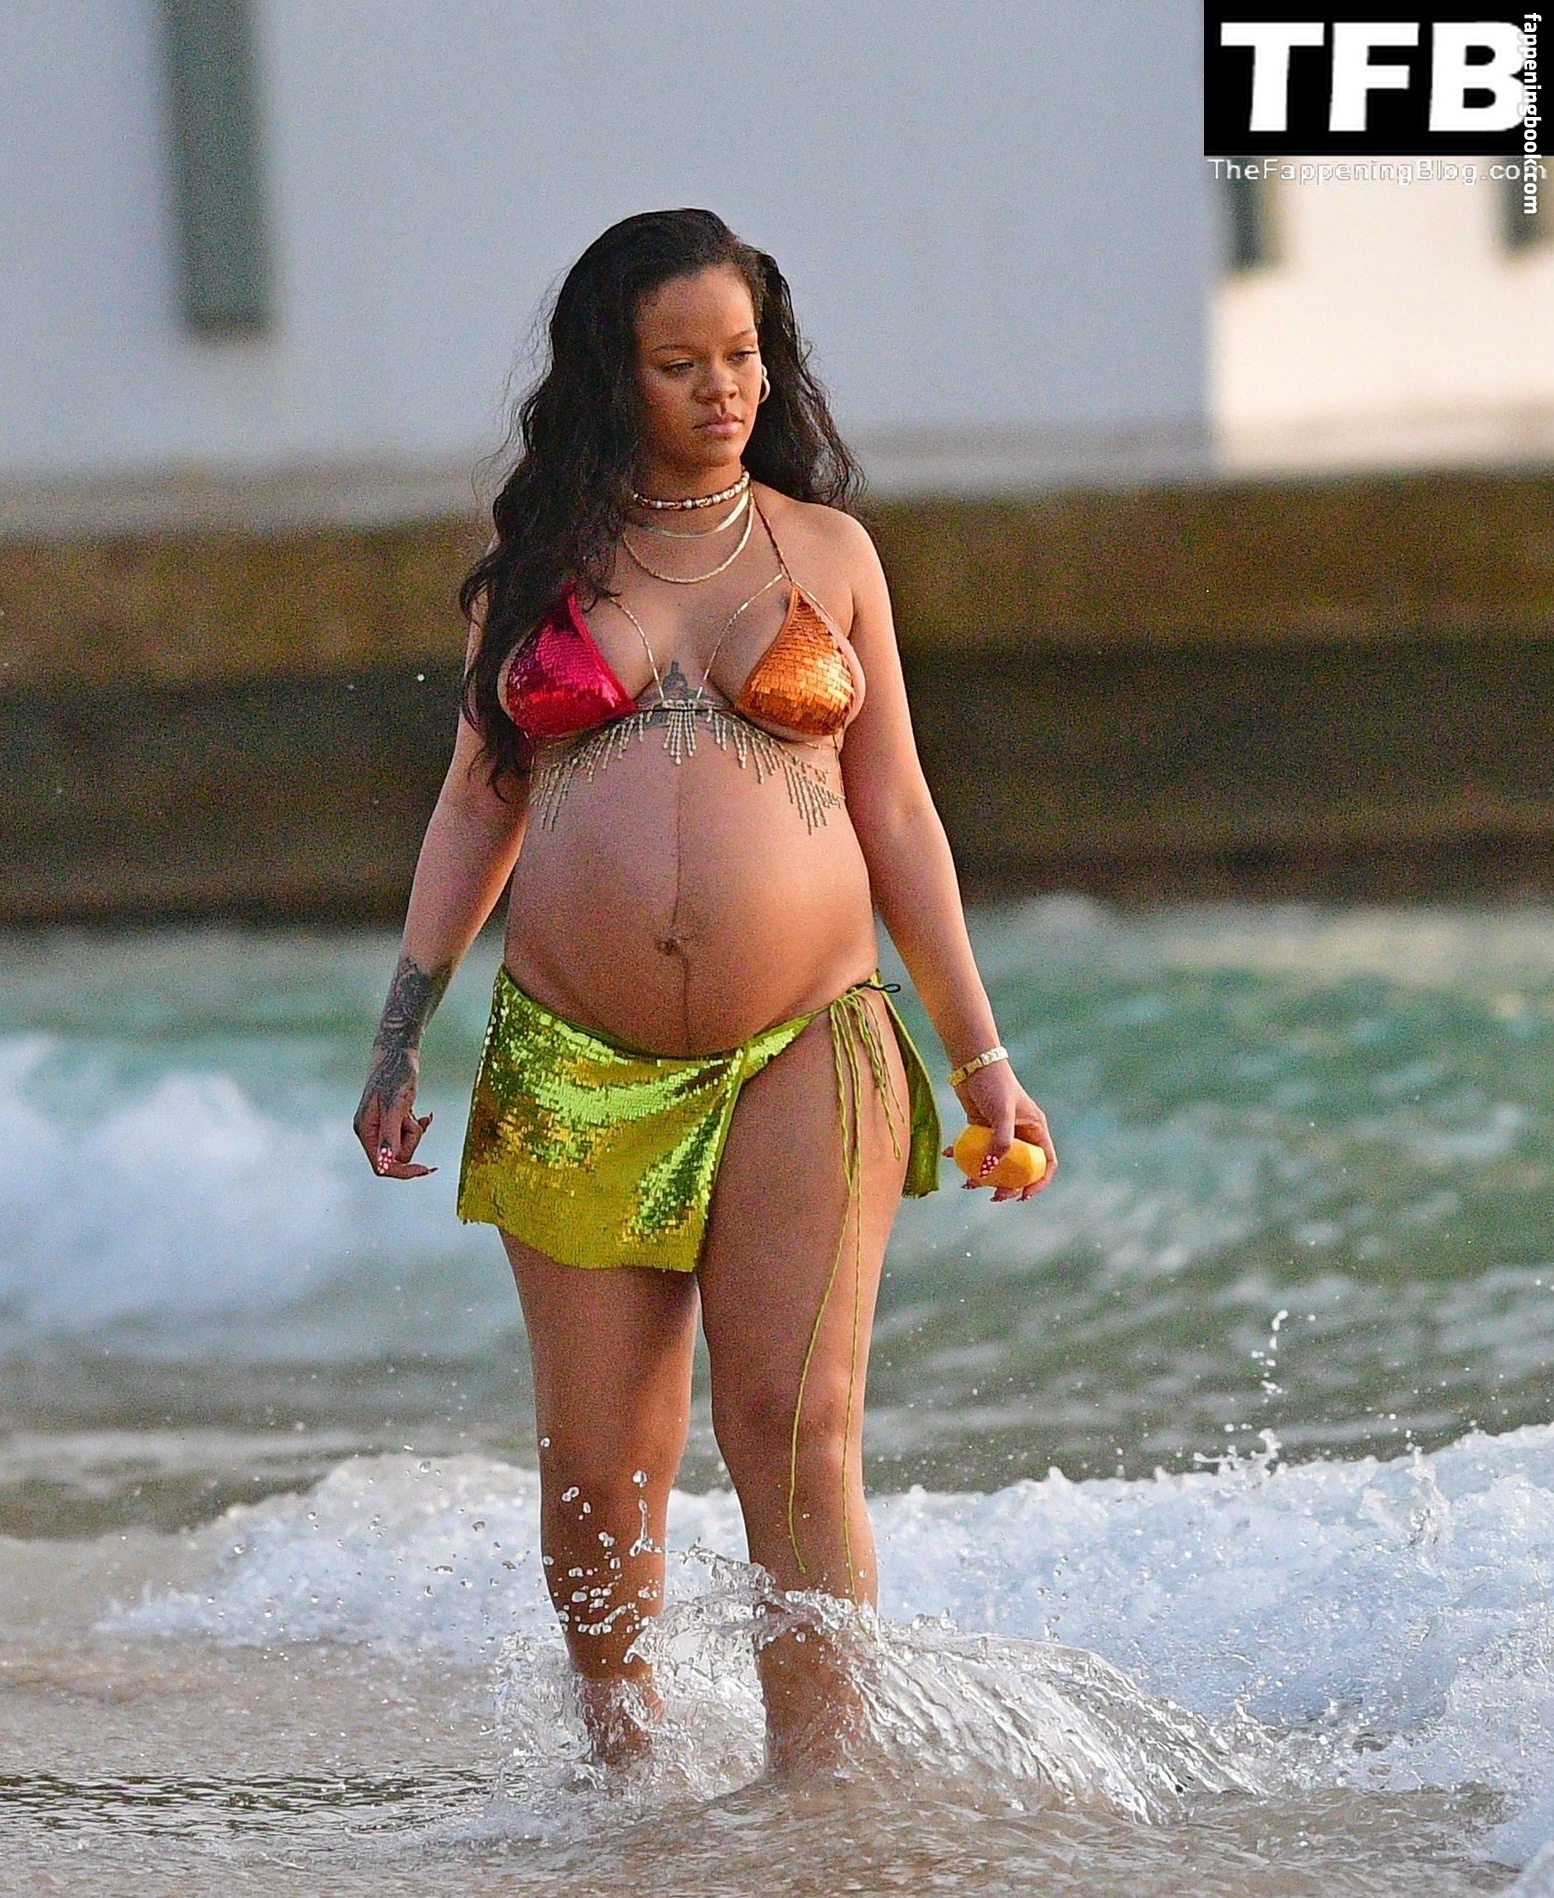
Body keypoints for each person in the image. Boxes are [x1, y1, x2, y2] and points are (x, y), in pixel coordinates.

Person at [354, 208, 1057, 1779]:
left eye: (741, 356)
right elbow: (476, 803)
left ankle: (817, 1790)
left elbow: (897, 815)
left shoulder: (829, 556)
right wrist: (399, 1039)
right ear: (613, 375)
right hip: (570, 1053)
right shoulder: (537, 572)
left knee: (794, 1428)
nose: (722, 389)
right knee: (599, 1462)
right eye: (680, 364)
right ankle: (625, 1775)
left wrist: (980, 1060)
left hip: (809, 1037)